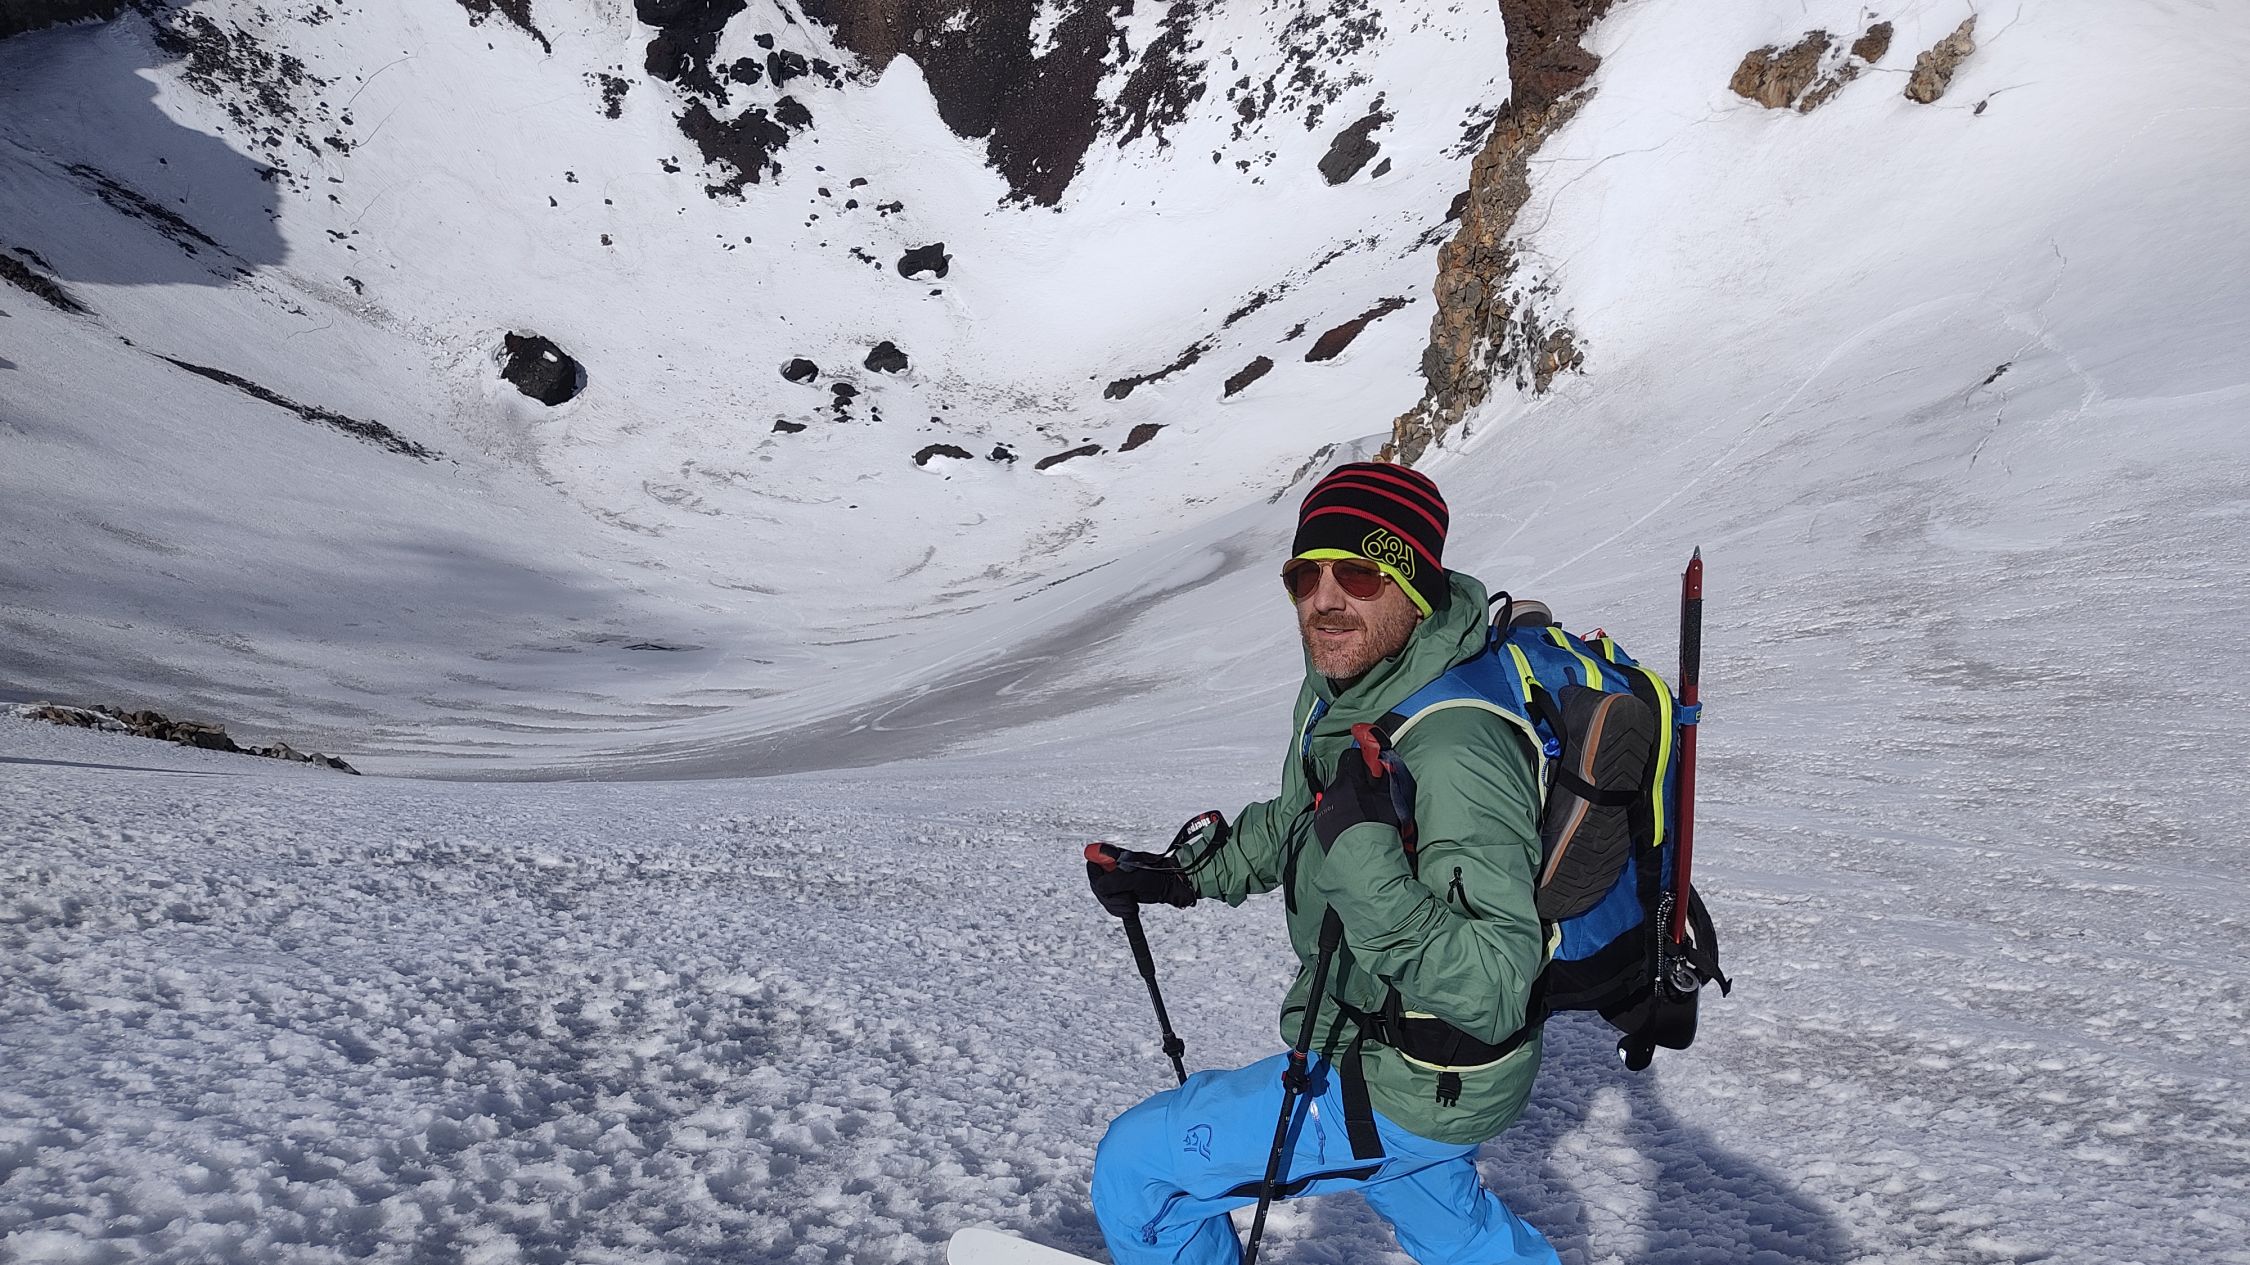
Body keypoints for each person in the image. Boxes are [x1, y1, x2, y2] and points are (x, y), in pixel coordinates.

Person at [1085, 462, 1560, 1265]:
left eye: (1360, 574)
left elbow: (1495, 986)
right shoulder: (1347, 693)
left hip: (1409, 1075)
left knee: (1140, 1168)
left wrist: (1364, 856)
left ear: (1415, 587)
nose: (1325, 599)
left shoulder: (1456, 747)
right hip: (1395, 1042)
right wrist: (1184, 874)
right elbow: (1302, 819)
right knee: (1449, 1227)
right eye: (1305, 576)